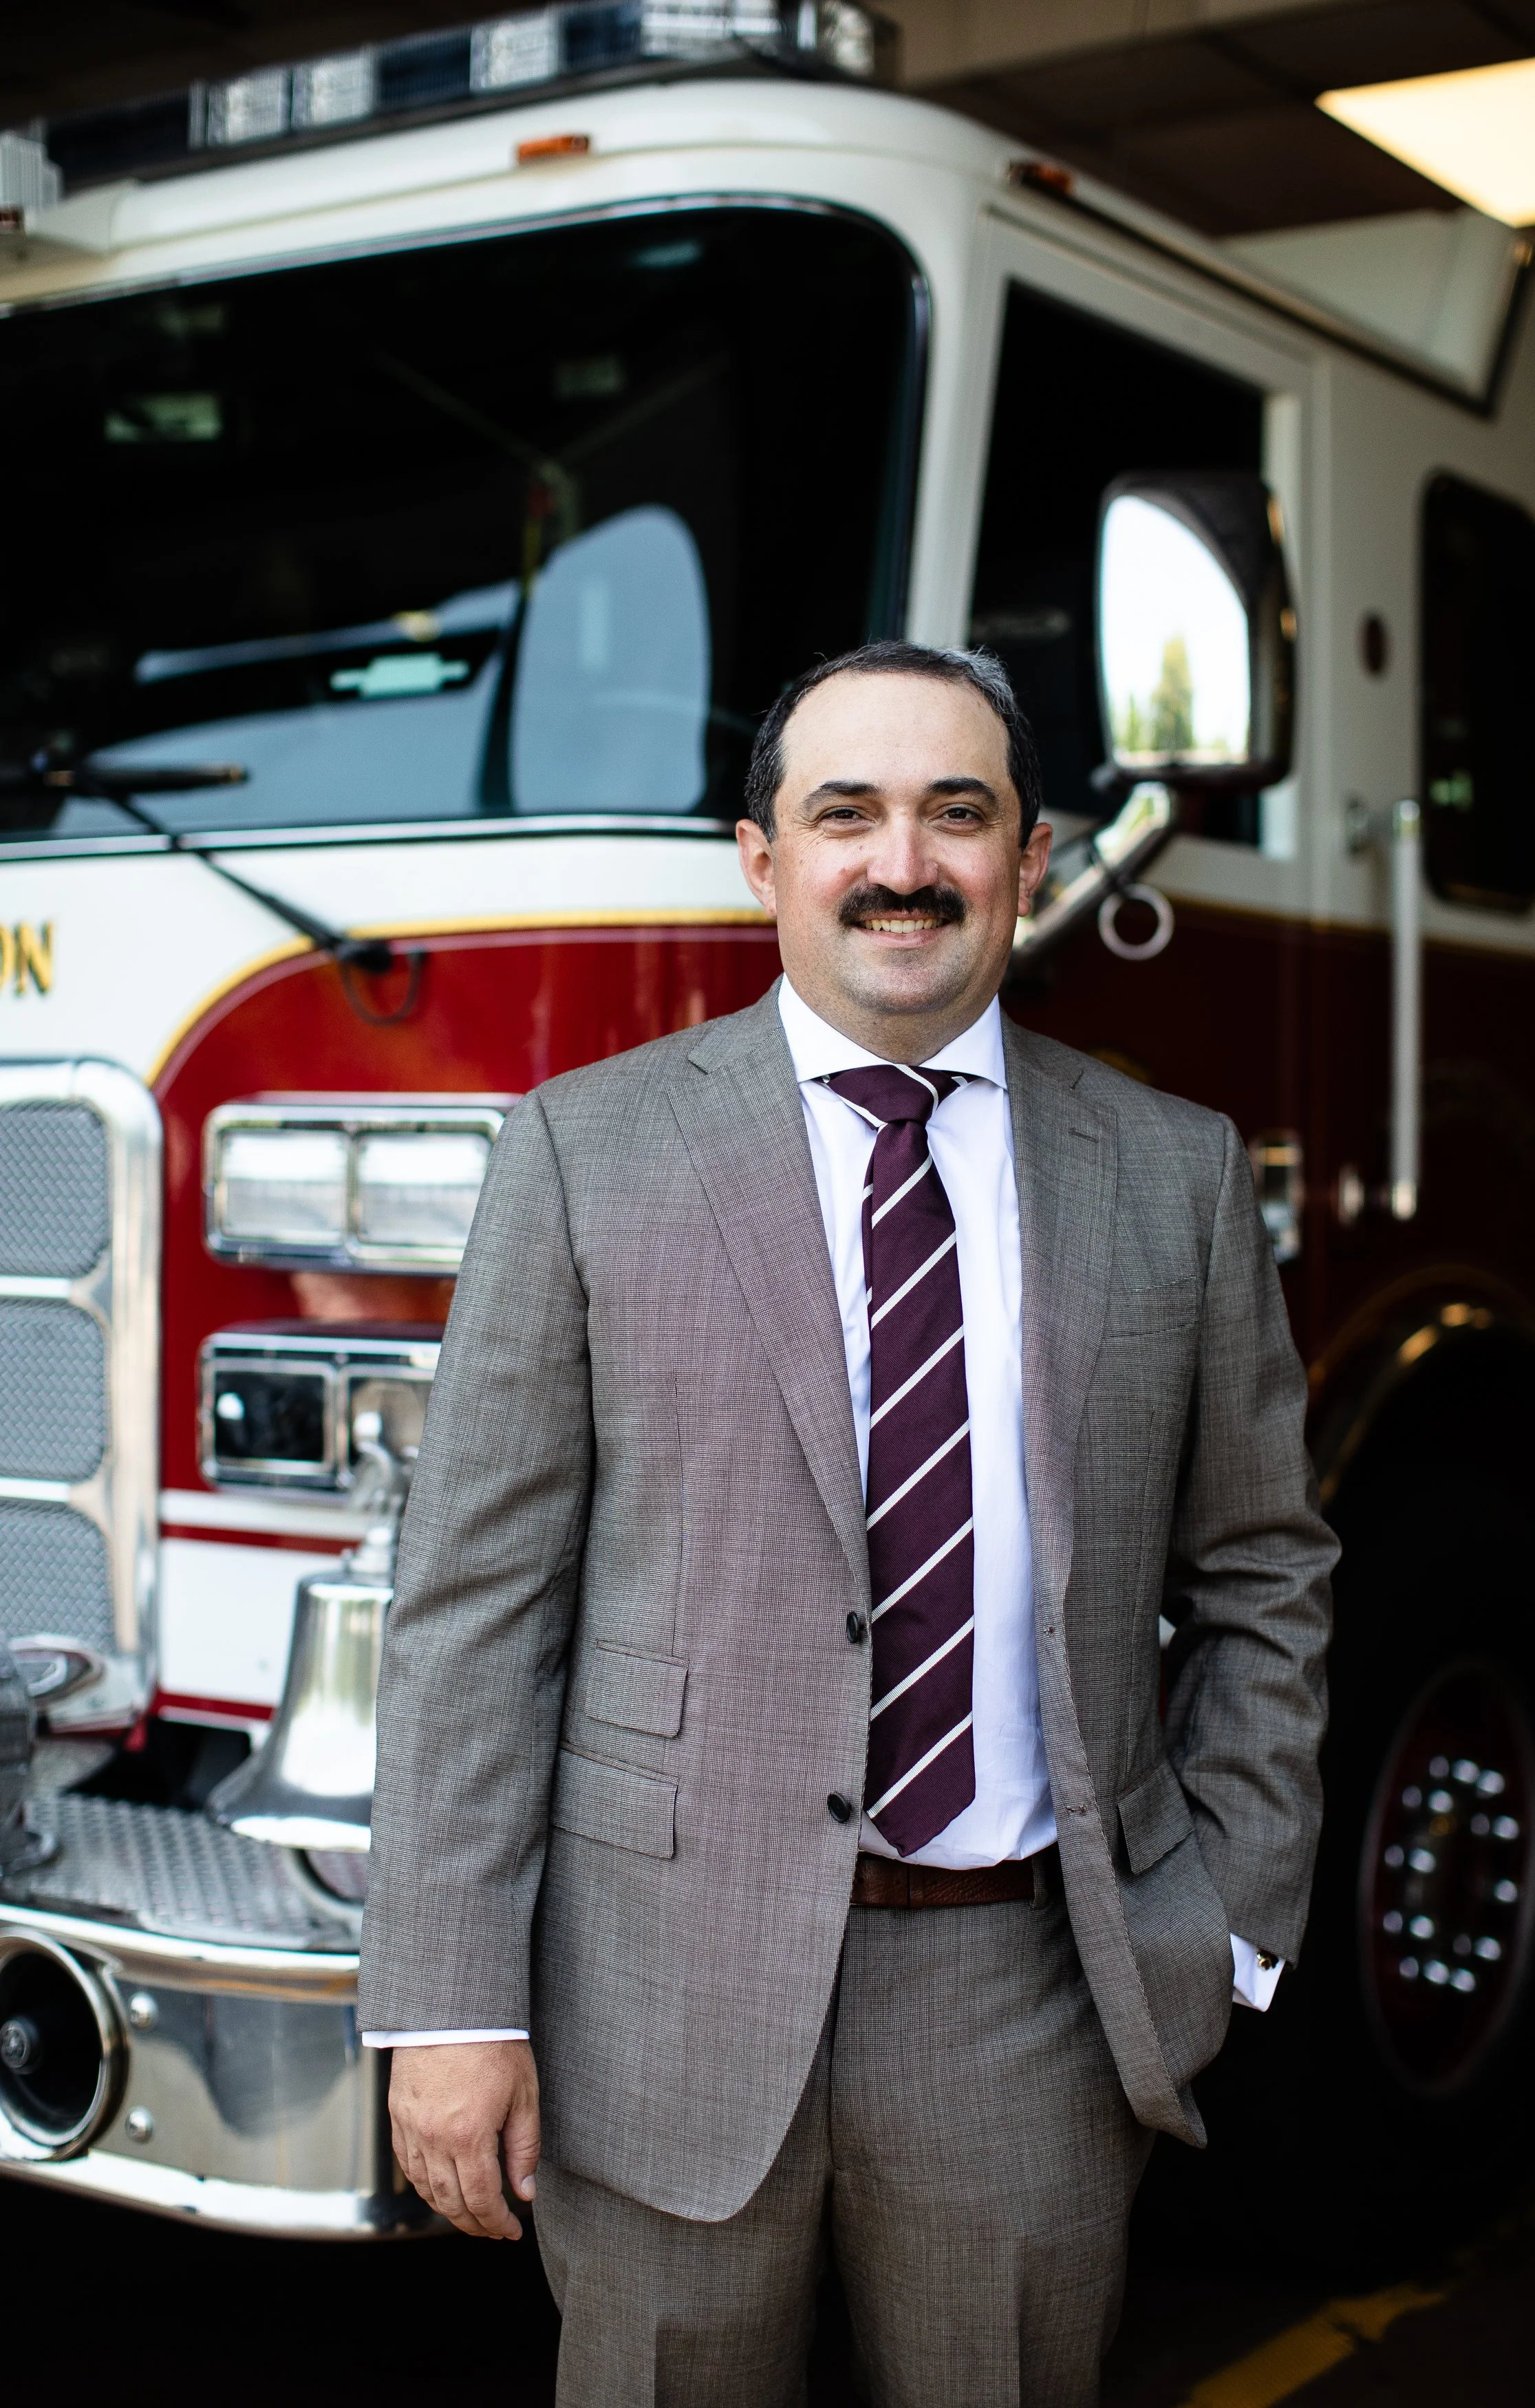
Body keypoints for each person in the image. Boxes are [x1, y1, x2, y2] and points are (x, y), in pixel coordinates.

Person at [358, 640, 1336, 2407]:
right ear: (763, 860)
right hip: (658, 1997)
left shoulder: (1174, 1172)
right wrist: (448, 2002)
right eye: (846, 815)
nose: (903, 863)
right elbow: (474, 1607)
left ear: (1029, 859)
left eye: (956, 815)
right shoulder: (585, 1154)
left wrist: (1232, 1915)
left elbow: (1266, 1563)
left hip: (1021, 1994)